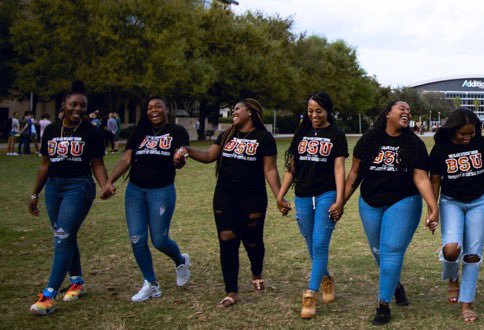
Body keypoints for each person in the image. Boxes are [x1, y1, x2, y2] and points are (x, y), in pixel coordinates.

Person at [176, 98, 289, 308]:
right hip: (225, 196)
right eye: (233, 109)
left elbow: (270, 169)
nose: (234, 112)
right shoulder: (226, 135)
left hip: (252, 198)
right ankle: (231, 290)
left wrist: (279, 196)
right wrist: (187, 151)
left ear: (251, 112)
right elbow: (210, 155)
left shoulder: (264, 138)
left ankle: (256, 272)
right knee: (227, 240)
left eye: (237, 109)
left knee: (253, 241)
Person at [339, 100, 439, 325]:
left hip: (403, 200)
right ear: (388, 113)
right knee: (377, 251)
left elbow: (421, 177)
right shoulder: (369, 139)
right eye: (401, 108)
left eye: (409, 110)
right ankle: (396, 286)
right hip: (370, 202)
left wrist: (434, 207)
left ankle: (383, 305)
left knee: (391, 250)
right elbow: (354, 174)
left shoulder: (414, 144)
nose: (407, 112)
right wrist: (340, 202)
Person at [27, 81, 110, 315]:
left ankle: (48, 295)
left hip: (79, 187)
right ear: (64, 104)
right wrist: (35, 193)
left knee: (62, 236)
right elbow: (45, 164)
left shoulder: (92, 132)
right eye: (73, 104)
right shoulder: (52, 130)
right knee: (64, 234)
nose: (78, 109)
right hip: (54, 188)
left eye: (82, 106)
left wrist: (105, 185)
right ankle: (76, 281)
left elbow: (97, 164)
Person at [103, 97, 192, 302]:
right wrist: (109, 182)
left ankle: (180, 261)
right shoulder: (139, 131)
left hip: (161, 191)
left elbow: (180, 158)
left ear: (166, 109)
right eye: (149, 108)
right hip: (135, 191)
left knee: (159, 240)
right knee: (137, 238)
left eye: (157, 106)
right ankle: (151, 284)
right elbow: (126, 159)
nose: (153, 110)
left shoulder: (177, 132)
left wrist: (179, 158)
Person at [274, 92, 349, 319]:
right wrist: (280, 195)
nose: (314, 115)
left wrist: (340, 199)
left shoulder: (336, 135)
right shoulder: (301, 133)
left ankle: (310, 295)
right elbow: (291, 168)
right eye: (310, 111)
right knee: (310, 244)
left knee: (319, 244)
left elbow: (339, 168)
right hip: (303, 195)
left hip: (327, 193)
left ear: (327, 110)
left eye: (318, 111)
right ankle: (326, 279)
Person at [427, 108, 484, 323]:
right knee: (451, 250)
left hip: (479, 201)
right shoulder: (441, 149)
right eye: (463, 134)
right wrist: (433, 209)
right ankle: (452, 276)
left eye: (471, 133)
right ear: (452, 130)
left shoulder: (482, 143)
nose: (468, 138)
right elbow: (435, 181)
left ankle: (466, 302)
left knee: (472, 255)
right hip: (451, 202)